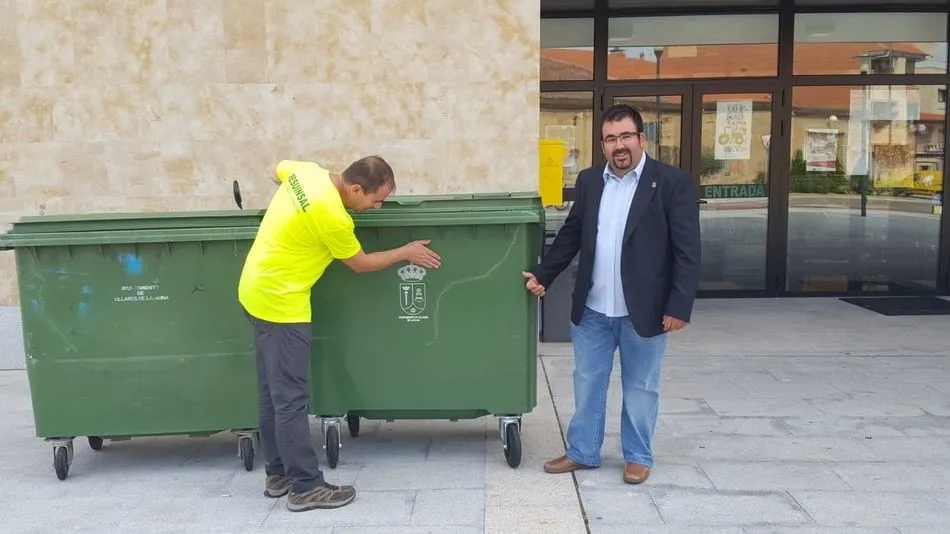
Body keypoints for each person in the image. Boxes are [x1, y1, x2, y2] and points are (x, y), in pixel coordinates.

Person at [237, 156, 441, 512]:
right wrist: (404, 252)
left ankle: (278, 475)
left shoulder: (306, 173)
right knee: (290, 400)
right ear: (355, 188)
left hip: (255, 289)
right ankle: (305, 487)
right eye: (376, 200)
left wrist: (294, 208)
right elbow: (361, 264)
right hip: (281, 305)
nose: (377, 208)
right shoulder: (331, 215)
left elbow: (273, 168)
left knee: (274, 395)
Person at [523, 104, 701, 484]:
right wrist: (543, 274)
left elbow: (687, 251)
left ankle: (637, 456)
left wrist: (679, 304)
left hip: (646, 311)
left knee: (640, 388)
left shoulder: (671, 183)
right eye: (610, 139)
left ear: (641, 138)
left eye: (625, 137)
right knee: (587, 384)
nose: (618, 145)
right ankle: (583, 452)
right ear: (602, 145)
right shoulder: (590, 181)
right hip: (593, 310)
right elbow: (572, 234)